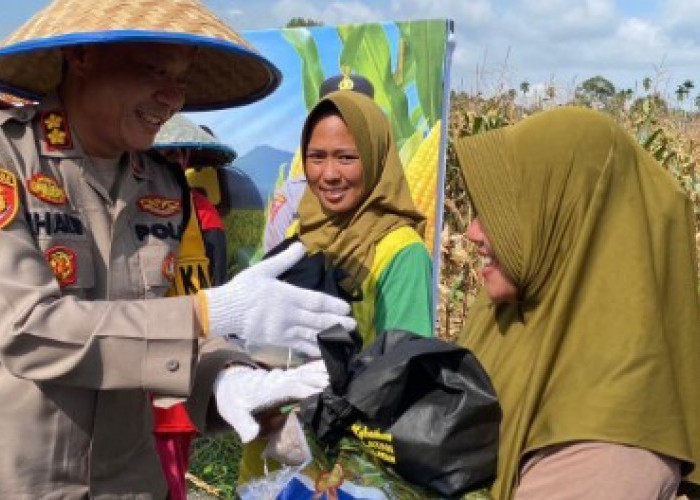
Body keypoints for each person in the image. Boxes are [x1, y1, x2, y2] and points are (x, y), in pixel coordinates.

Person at [0, 0, 355, 497]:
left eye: (182, 79)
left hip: (134, 484)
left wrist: (226, 377)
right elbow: (25, 330)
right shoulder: (11, 163)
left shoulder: (164, 188)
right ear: (82, 54)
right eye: (153, 70)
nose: (171, 98)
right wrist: (205, 313)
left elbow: (164, 319)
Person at [454, 106, 700, 499]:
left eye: (501, 214)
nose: (472, 233)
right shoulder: (513, 318)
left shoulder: (613, 443)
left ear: (567, 222)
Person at [238, 88, 435, 484]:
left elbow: (402, 377)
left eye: (347, 157)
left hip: (344, 470)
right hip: (270, 450)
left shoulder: (399, 250)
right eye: (317, 157)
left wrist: (316, 417)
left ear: (376, 158)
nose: (329, 174)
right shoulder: (301, 232)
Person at [153, 114, 233, 286]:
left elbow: (218, 277)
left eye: (172, 155)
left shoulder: (201, 208)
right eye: (155, 157)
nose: (163, 166)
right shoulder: (127, 204)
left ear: (185, 158)